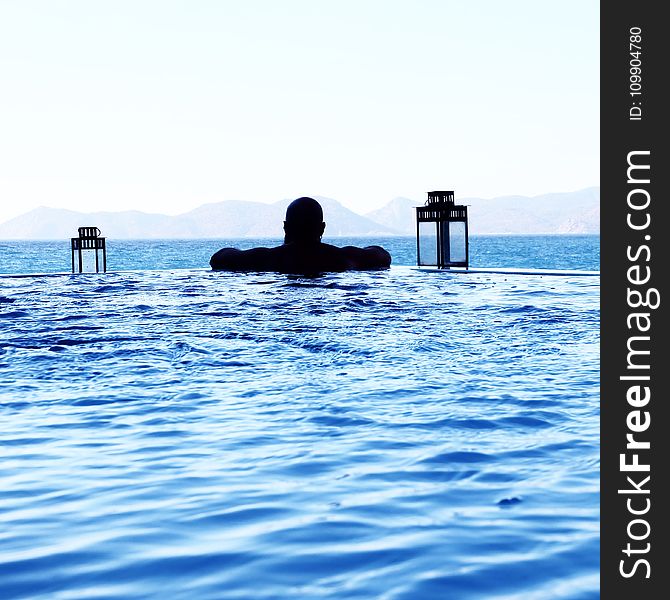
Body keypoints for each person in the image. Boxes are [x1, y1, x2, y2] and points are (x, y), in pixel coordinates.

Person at [210, 197, 391, 273]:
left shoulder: (266, 258)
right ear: (322, 228)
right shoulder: (344, 257)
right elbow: (382, 255)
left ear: (286, 227)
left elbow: (219, 258)